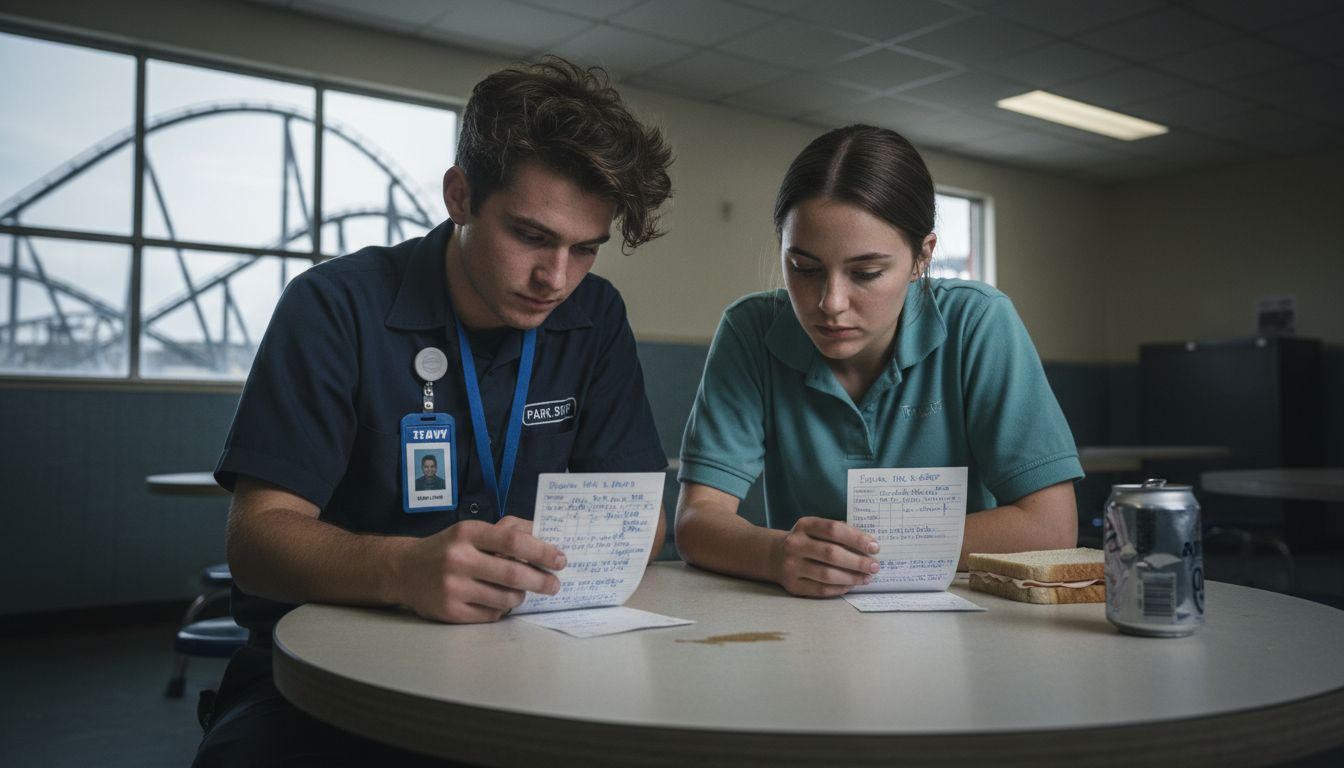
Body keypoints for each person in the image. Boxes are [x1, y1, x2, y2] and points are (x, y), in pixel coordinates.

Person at [193, 57, 673, 767]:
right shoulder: (333, 306)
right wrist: (401, 570)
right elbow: (257, 542)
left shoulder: (595, 316)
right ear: (460, 196)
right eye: (531, 236)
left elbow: (644, 520)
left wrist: (554, 557)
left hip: (531, 651)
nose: (556, 279)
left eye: (585, 250)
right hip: (327, 665)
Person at [675, 124, 1082, 598]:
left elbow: (1051, 526)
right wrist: (775, 554)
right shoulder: (751, 330)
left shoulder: (978, 321)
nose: (831, 302)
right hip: (806, 617)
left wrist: (854, 556)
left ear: (922, 257)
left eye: (866, 272)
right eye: (804, 269)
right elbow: (697, 518)